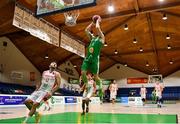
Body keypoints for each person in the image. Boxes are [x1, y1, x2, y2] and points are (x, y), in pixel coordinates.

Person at [80, 15, 105, 102]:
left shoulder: (102, 39)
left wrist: (97, 20)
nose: (98, 32)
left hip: (94, 60)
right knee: (83, 73)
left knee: (95, 76)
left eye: (100, 32)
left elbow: (98, 28)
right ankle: (86, 84)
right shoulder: (93, 38)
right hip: (87, 59)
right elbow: (86, 30)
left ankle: (100, 86)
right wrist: (92, 22)